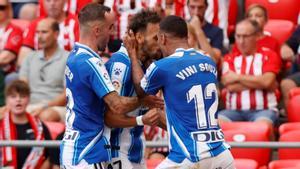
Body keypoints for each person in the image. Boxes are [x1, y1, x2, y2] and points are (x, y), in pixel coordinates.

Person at [60, 4, 163, 168]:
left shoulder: (76, 56)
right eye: (110, 28)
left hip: (84, 147)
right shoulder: (99, 63)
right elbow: (116, 107)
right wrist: (143, 105)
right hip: (88, 150)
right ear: (96, 30)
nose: (113, 33)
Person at [125, 15, 233, 169]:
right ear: (186, 36)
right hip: (223, 155)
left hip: (189, 157)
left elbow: (141, 90)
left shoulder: (163, 66)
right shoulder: (209, 61)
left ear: (162, 38)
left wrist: (133, 55)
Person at [105, 9, 164, 169]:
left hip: (136, 152)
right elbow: (109, 118)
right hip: (116, 152)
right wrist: (140, 120)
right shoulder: (121, 65)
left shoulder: (146, 64)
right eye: (155, 38)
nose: (160, 43)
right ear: (139, 37)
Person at [220, 19, 281, 138]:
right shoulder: (229, 58)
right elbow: (230, 85)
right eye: (238, 36)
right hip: (233, 111)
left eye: (246, 36)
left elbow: (267, 81)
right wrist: (260, 82)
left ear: (257, 36)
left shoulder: (269, 55)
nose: (241, 41)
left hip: (263, 110)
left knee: (262, 128)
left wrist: (237, 77)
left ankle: (266, 156)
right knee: (216, 126)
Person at [19, 18, 68, 122]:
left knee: (45, 116)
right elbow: (21, 88)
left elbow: (67, 94)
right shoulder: (30, 57)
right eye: (37, 32)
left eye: (44, 32)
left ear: (56, 34)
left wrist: (44, 107)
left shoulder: (68, 58)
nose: (39, 36)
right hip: (30, 105)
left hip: (56, 107)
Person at [0, 80, 52, 169]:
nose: (18, 99)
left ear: (28, 99)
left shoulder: (40, 127)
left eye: (23, 96)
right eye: (13, 96)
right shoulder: (1, 125)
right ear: (6, 100)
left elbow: (50, 156)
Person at [17, 0, 79, 68]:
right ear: (42, 2)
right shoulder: (35, 24)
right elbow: (23, 57)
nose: (52, 4)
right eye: (48, 0)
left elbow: (81, 54)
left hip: (68, 69)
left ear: (65, 1)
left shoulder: (77, 23)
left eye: (56, 0)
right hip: (39, 68)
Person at [0, 0, 23, 105]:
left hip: (5, 72)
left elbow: (5, 58)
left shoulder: (15, 30)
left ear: (9, 9)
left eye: (2, 7)